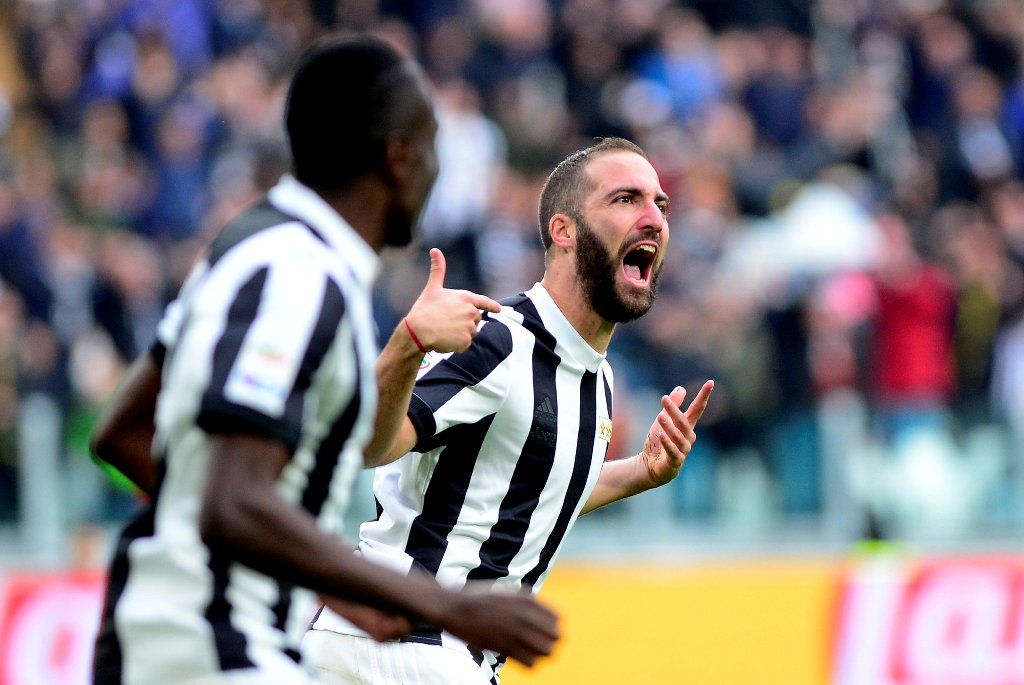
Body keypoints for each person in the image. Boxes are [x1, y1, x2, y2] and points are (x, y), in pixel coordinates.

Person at [89, 33, 559, 685]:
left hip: (180, 641)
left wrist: (336, 588)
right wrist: (439, 602)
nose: (434, 176)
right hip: (214, 650)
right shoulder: (301, 275)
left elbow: (123, 433)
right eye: (431, 150)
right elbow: (235, 500)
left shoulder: (252, 245)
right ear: (397, 157)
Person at [305, 136, 715, 684]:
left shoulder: (599, 377)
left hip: (436, 655)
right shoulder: (500, 341)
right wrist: (407, 344)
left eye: (660, 205)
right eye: (626, 199)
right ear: (563, 231)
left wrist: (641, 471)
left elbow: (521, 488)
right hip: (402, 645)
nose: (653, 219)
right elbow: (371, 445)